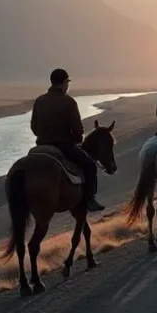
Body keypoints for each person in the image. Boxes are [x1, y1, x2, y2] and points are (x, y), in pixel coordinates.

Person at [30, 68, 105, 212]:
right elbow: (77, 129)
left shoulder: (39, 101)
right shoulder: (69, 102)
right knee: (90, 166)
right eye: (67, 82)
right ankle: (90, 199)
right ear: (64, 82)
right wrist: (76, 140)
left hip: (41, 146)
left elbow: (34, 127)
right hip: (63, 146)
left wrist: (44, 137)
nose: (67, 85)